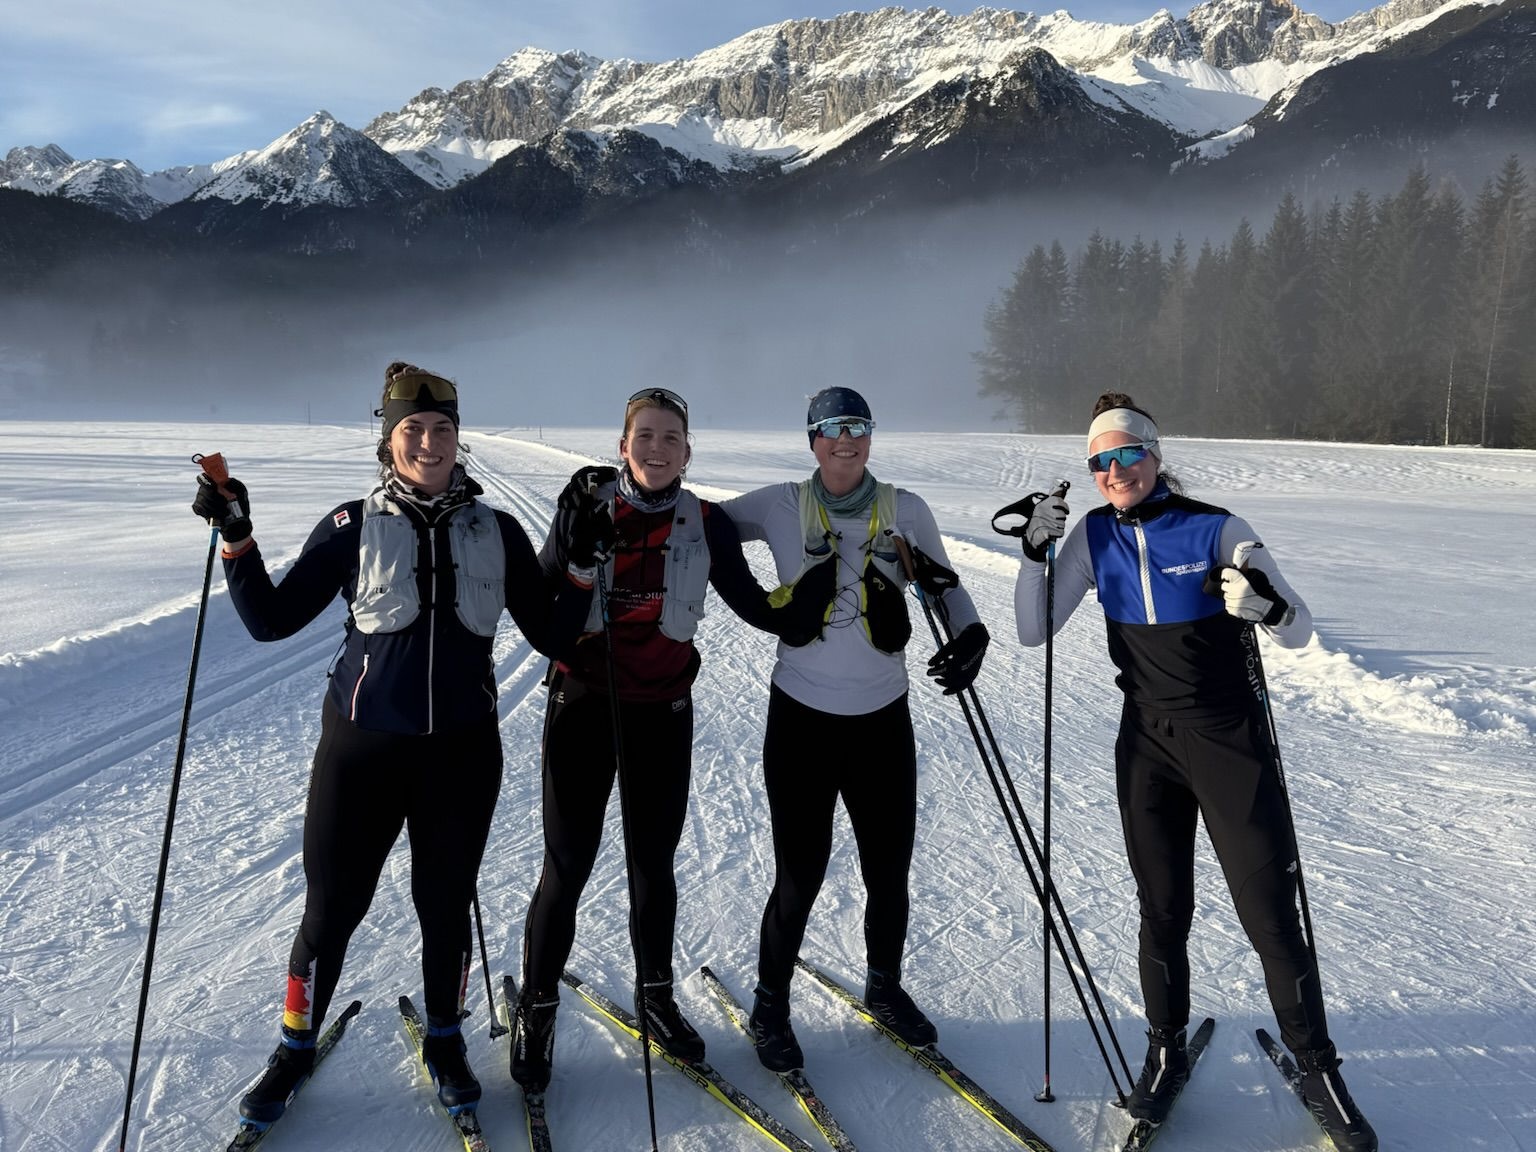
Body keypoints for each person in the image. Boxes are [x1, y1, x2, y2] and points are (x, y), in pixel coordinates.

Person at [191, 361, 594, 1125]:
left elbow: (550, 634)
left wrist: (579, 566)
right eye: (413, 429)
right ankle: (292, 1048)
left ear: (458, 439)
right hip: (361, 753)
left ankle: (446, 1039)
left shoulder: (496, 530)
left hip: (462, 755)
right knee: (332, 907)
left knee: (444, 907)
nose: (430, 442)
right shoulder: (352, 526)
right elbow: (269, 620)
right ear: (388, 440)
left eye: (443, 430)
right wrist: (237, 536)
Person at [1010, 391, 1376, 1151]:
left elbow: (1299, 628)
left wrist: (1264, 606)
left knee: (1269, 911)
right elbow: (1032, 628)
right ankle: (1165, 1048)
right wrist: (1035, 555)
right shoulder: (1093, 537)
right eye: (1100, 461)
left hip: (1228, 741)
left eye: (1127, 454)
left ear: (1154, 454)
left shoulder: (1215, 526)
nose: (1115, 471)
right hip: (1145, 743)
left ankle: (1317, 1066)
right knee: (1162, 907)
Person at [510, 387, 796, 1092]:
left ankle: (656, 996)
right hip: (582, 704)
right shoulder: (586, 506)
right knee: (567, 865)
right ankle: (538, 1008)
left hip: (662, 711)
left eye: (671, 438)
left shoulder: (705, 522)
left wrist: (822, 594)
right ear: (623, 445)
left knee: (653, 864)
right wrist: (572, 550)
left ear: (689, 452)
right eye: (645, 436)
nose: (657, 449)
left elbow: (757, 605)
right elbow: (543, 599)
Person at [717, 386, 990, 1073]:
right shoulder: (779, 503)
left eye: (859, 427)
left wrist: (971, 632)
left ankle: (885, 988)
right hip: (801, 719)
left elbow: (944, 584)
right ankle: (771, 1004)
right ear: (812, 438)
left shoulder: (905, 509)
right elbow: (705, 527)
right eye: (834, 428)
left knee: (888, 869)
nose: (848, 440)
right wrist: (757, 605)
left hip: (881, 721)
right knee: (800, 873)